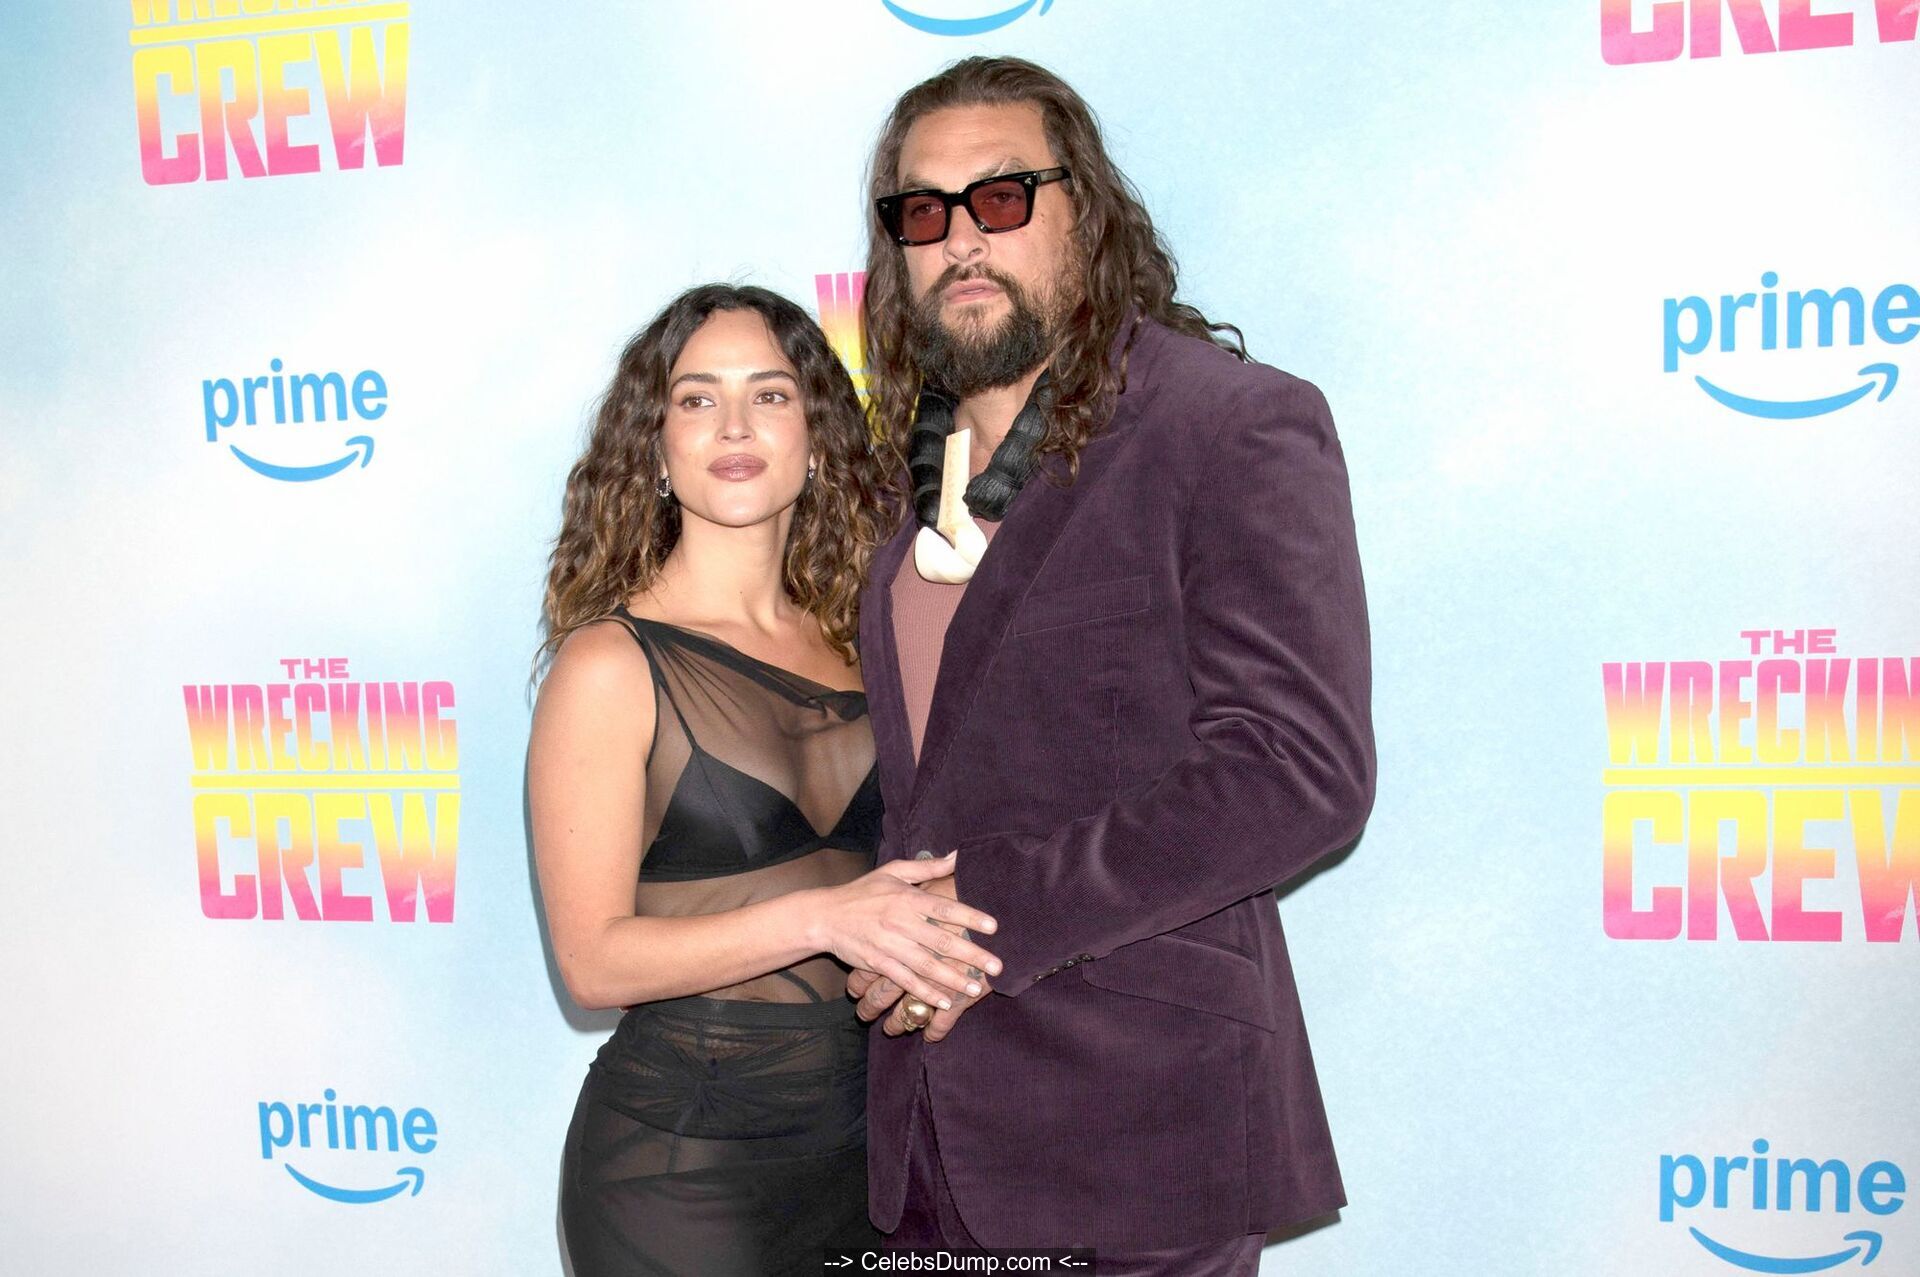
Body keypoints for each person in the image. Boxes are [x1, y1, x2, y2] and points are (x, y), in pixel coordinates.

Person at [843, 58, 1377, 1273]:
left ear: (1084, 210)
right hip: (919, 1149)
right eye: (923, 212)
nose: (962, 239)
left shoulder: (1226, 424)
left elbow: (1297, 772)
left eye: (1002, 197)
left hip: (1141, 1131)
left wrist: (970, 921)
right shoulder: (890, 481)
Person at [529, 283, 1006, 1276]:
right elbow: (592, 963)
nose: (735, 425)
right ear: (656, 448)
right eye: (698, 398)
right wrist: (825, 918)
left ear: (817, 437)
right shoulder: (611, 663)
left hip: (866, 1161)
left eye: (771, 394)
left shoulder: (868, 644)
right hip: (677, 1168)